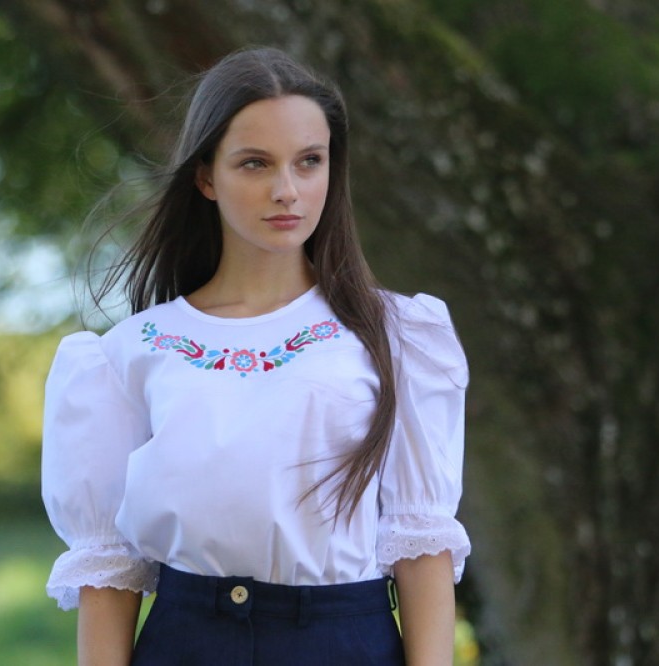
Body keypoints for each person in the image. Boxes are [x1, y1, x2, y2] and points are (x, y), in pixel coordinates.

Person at [41, 47, 470, 666]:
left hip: (344, 646)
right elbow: (110, 570)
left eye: (309, 161)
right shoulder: (129, 355)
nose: (286, 190)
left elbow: (422, 548)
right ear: (206, 177)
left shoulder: (397, 335)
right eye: (255, 163)